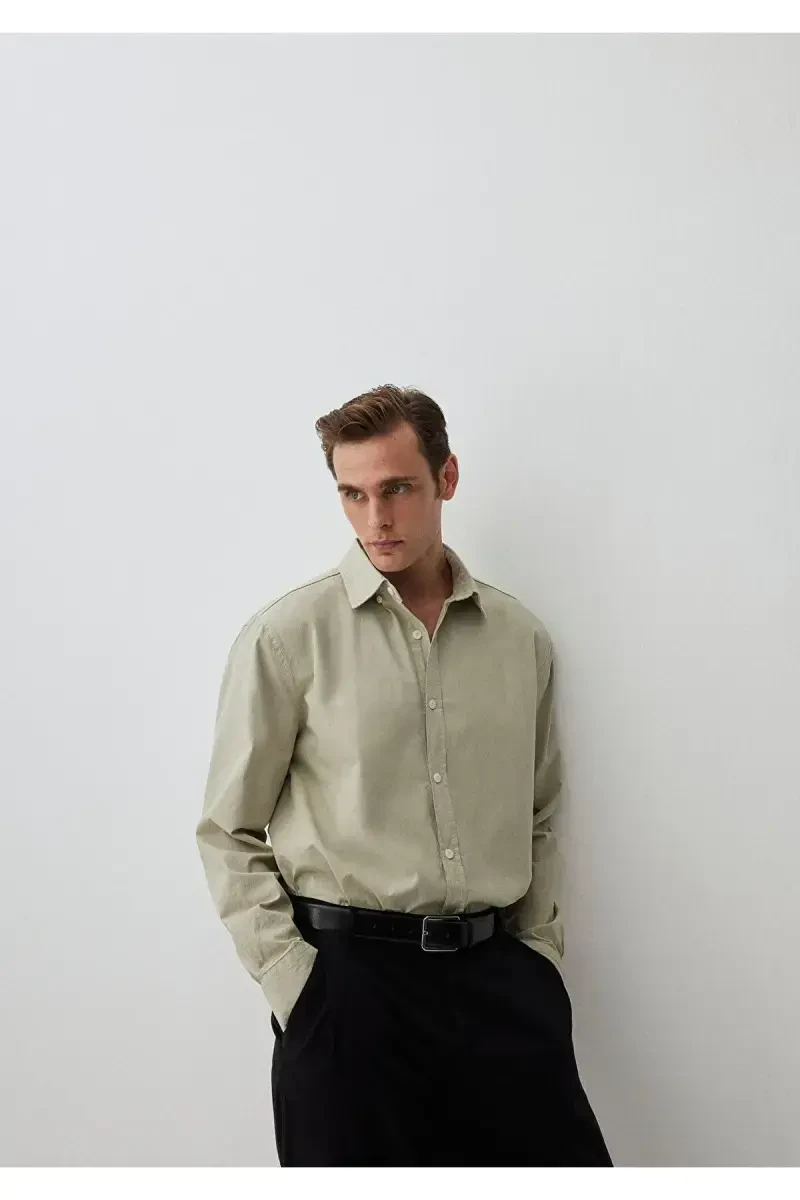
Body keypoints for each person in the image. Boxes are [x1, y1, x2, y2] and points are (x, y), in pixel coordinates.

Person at [195, 383, 613, 1167]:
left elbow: (539, 812)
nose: (375, 519)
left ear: (445, 478)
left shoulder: (518, 638)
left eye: (396, 489)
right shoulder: (287, 638)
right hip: (348, 996)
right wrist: (296, 984)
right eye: (352, 494)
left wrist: (539, 959)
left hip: (500, 985)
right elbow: (228, 830)